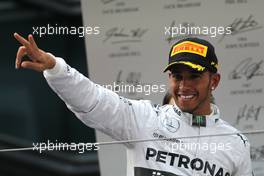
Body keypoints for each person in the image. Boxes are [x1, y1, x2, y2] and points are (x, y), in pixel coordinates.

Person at [14, 33, 253, 176]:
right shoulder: (144, 119)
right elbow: (93, 100)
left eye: (194, 76)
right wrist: (55, 68)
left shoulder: (236, 143)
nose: (184, 85)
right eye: (177, 76)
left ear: (215, 81)